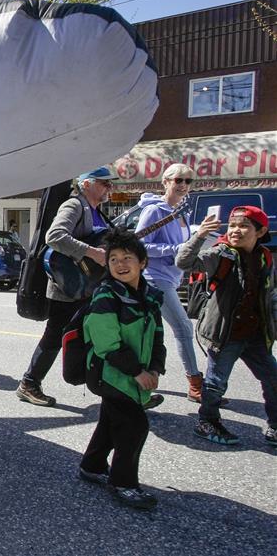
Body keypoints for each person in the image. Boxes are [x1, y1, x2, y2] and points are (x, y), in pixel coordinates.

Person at [16, 166, 123, 407]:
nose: (109, 187)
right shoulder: (75, 205)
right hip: (68, 286)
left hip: (88, 285)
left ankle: (117, 386)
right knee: (55, 335)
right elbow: (54, 236)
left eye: (110, 184)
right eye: (104, 183)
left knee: (100, 332)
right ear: (86, 184)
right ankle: (29, 383)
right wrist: (92, 252)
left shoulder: (97, 211)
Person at [78, 228, 165, 510]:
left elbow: (158, 336)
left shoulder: (150, 296)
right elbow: (106, 344)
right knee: (134, 426)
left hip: (133, 375)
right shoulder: (105, 295)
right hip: (111, 374)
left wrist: (154, 368)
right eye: (113, 259)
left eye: (127, 257)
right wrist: (137, 372)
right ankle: (124, 483)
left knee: (110, 423)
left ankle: (92, 465)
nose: (120, 264)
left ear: (143, 262)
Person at [176, 206, 277, 447]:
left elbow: (270, 293)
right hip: (225, 333)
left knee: (273, 379)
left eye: (243, 226)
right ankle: (207, 421)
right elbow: (183, 262)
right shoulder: (222, 253)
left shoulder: (264, 256)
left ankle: (275, 424)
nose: (235, 231)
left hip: (255, 335)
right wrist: (199, 235)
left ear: (261, 231)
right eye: (232, 225)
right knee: (215, 382)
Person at [135, 163, 204, 402]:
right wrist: (175, 249)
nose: (183, 185)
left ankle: (141, 381)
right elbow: (140, 244)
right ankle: (195, 384)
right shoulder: (155, 211)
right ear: (165, 182)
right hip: (155, 279)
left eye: (188, 181)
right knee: (184, 328)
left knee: (149, 332)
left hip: (172, 278)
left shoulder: (182, 211)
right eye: (178, 180)